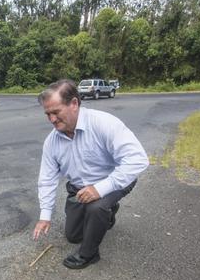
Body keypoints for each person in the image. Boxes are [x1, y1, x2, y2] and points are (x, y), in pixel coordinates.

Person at [33, 79, 149, 269]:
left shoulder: (104, 123)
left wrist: (101, 189)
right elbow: (47, 179)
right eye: (48, 114)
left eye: (56, 112)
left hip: (115, 180)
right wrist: (45, 216)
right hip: (81, 187)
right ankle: (108, 214)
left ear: (74, 104)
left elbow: (138, 159)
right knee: (73, 236)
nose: (52, 119)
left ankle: (89, 254)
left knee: (97, 208)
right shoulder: (52, 142)